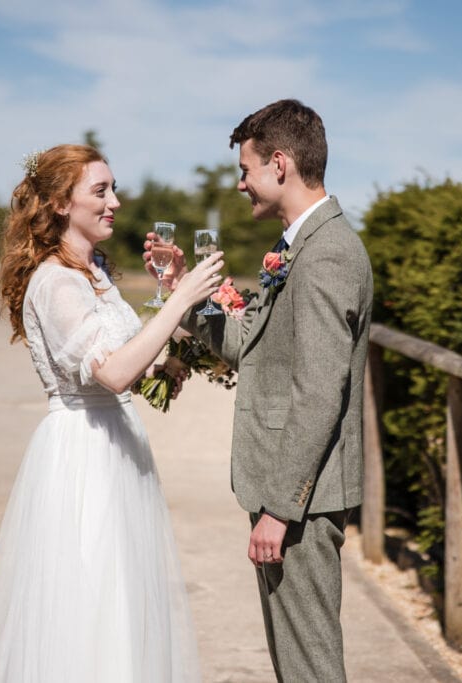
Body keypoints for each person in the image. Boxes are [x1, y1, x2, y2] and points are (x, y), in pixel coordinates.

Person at [0, 144, 223, 682]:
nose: (115, 203)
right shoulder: (54, 282)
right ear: (59, 203)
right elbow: (111, 373)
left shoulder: (95, 272)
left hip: (117, 445)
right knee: (87, 601)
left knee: (121, 600)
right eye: (100, 191)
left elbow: (131, 357)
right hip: (81, 454)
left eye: (113, 189)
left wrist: (171, 338)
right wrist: (179, 300)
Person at [145, 99, 374, 681]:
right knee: (293, 660)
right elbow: (248, 343)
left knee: (310, 664)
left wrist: (279, 508)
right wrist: (181, 293)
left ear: (279, 164)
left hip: (300, 497)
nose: (240, 184)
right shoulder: (297, 246)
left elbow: (321, 391)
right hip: (289, 491)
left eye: (244, 171)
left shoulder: (326, 254)